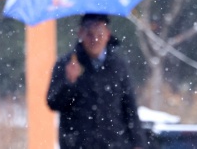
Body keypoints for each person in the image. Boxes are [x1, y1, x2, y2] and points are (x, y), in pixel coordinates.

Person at [47, 13, 146, 149]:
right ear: (81, 34)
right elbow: (53, 102)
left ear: (107, 35)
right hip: (77, 144)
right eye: (89, 34)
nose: (95, 39)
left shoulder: (118, 65)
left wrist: (138, 142)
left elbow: (130, 107)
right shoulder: (67, 63)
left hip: (114, 144)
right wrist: (69, 82)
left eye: (99, 33)